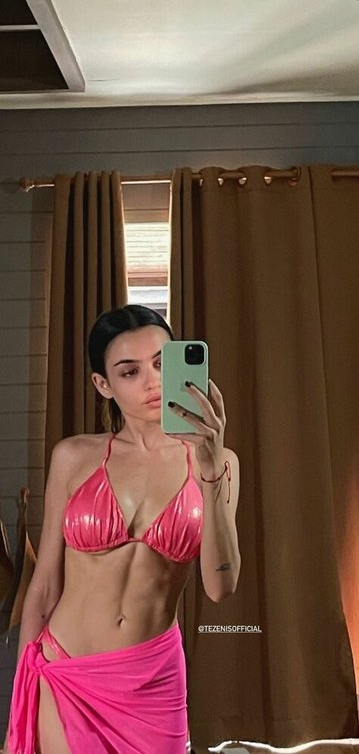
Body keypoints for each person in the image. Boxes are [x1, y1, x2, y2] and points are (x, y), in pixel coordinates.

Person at [4, 304, 241, 754]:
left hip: (154, 680)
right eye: (130, 372)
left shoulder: (219, 463)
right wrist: (24, 695)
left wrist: (210, 470)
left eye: (161, 364)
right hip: (66, 669)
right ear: (103, 385)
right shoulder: (73, 457)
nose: (152, 382)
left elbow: (220, 586)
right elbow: (45, 583)